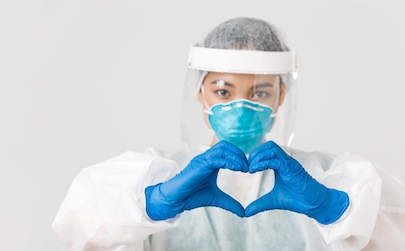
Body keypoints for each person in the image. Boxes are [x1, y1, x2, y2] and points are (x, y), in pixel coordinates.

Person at [52, 17, 405, 251]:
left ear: (281, 97)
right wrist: (149, 205)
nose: (241, 106)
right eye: (223, 91)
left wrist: (335, 208)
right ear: (199, 92)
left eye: (260, 93)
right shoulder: (157, 177)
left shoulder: (329, 178)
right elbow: (78, 233)